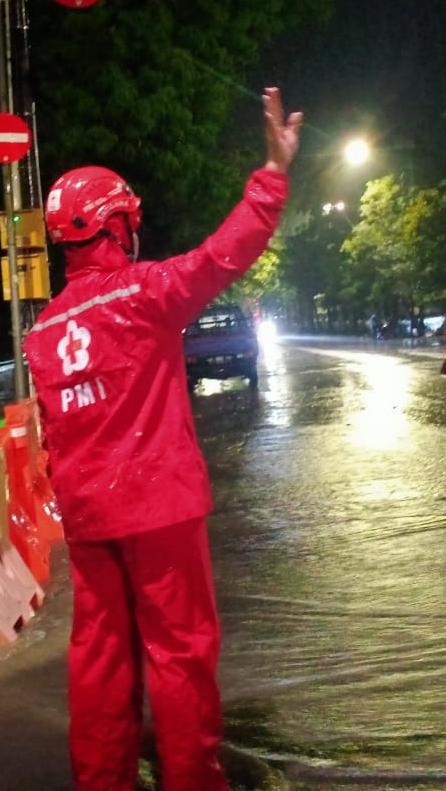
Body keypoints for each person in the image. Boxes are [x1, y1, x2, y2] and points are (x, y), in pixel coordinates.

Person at [23, 87, 301, 791]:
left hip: (89, 518)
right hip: (161, 507)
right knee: (179, 654)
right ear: (118, 224)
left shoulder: (44, 333)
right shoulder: (146, 294)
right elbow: (225, 254)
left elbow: (54, 433)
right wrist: (273, 171)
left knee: (100, 658)